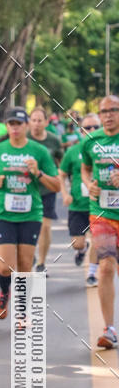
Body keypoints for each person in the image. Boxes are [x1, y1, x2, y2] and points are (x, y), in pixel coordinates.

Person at [0, 106, 60, 319]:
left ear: (26, 126)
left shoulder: (39, 152)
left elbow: (56, 186)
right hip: (2, 214)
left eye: (19, 124)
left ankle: (22, 313)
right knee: (6, 267)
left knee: (25, 266)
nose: (15, 128)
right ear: (7, 126)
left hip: (30, 214)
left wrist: (38, 173)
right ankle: (5, 292)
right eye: (11, 124)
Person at [81, 94, 119, 348]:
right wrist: (88, 184)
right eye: (104, 110)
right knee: (106, 266)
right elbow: (84, 168)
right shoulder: (90, 142)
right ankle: (109, 329)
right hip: (102, 212)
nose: (108, 115)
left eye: (113, 110)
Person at [59, 113, 101, 276]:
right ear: (81, 130)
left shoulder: (105, 150)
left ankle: (92, 274)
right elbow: (61, 174)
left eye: (95, 127)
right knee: (77, 243)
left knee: (98, 241)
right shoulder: (73, 151)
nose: (91, 130)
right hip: (77, 205)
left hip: (98, 205)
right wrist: (64, 194)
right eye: (87, 127)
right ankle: (82, 250)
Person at [28, 107, 63, 274]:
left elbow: (60, 162)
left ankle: (41, 263)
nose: (36, 124)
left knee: (45, 227)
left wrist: (62, 184)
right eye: (33, 120)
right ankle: (30, 253)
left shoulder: (53, 140)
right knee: (30, 226)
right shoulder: (23, 138)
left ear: (46, 122)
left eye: (39, 120)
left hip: (47, 188)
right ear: (29, 122)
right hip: (26, 190)